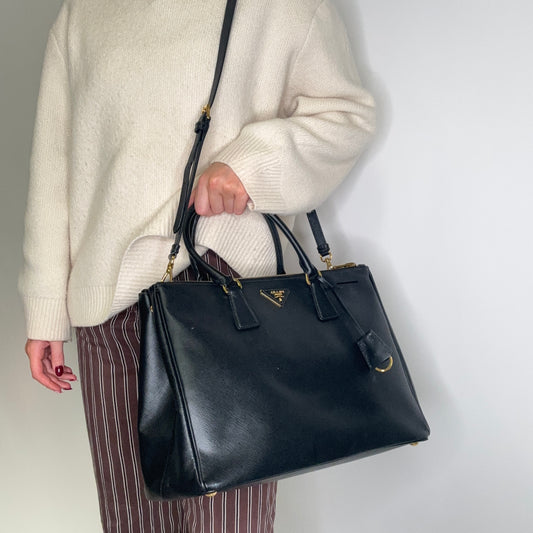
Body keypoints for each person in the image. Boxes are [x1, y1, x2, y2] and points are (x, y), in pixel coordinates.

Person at [18, 0, 376, 531]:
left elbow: (345, 115)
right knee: (131, 519)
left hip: (227, 294)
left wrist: (248, 165)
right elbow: (54, 163)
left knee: (227, 521)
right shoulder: (83, 13)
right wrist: (46, 308)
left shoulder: (282, 7)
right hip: (110, 302)